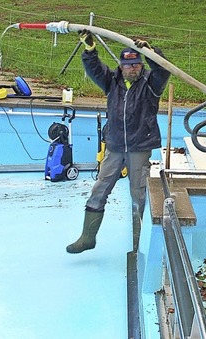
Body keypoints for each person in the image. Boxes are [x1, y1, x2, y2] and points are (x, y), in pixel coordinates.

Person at [66, 30, 171, 254]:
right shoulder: (112, 83)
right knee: (100, 188)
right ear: (121, 66)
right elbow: (94, 69)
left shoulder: (151, 84)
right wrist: (90, 50)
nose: (132, 69)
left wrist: (152, 52)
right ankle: (87, 238)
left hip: (139, 147)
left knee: (138, 193)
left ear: (141, 65)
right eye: (127, 65)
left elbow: (163, 68)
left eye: (136, 65)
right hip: (114, 147)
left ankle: (137, 242)